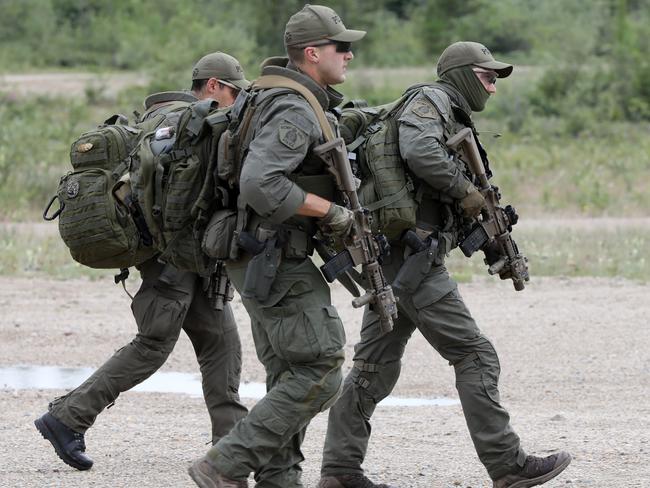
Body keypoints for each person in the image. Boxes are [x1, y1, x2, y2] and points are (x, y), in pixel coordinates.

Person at [318, 42, 572, 488]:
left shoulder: (449, 111)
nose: (493, 87)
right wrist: (466, 191)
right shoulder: (431, 100)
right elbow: (420, 152)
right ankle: (507, 465)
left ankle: (339, 471)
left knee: (374, 366)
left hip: (401, 256)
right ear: (460, 75)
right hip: (412, 258)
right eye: (487, 77)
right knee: (475, 354)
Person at [34, 51, 250, 471]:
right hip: (174, 255)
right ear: (212, 86)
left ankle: (233, 445)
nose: (235, 100)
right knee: (153, 343)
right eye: (233, 91)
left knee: (220, 340)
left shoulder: (157, 123)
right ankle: (67, 417)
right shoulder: (195, 124)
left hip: (182, 255)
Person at [187, 5, 365, 488]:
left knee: (290, 369)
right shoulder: (292, 106)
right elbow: (260, 184)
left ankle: (278, 480)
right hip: (275, 255)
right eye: (340, 46)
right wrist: (330, 212)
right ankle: (223, 464)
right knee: (322, 369)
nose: (348, 54)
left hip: (256, 253)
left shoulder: (270, 95)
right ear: (312, 53)